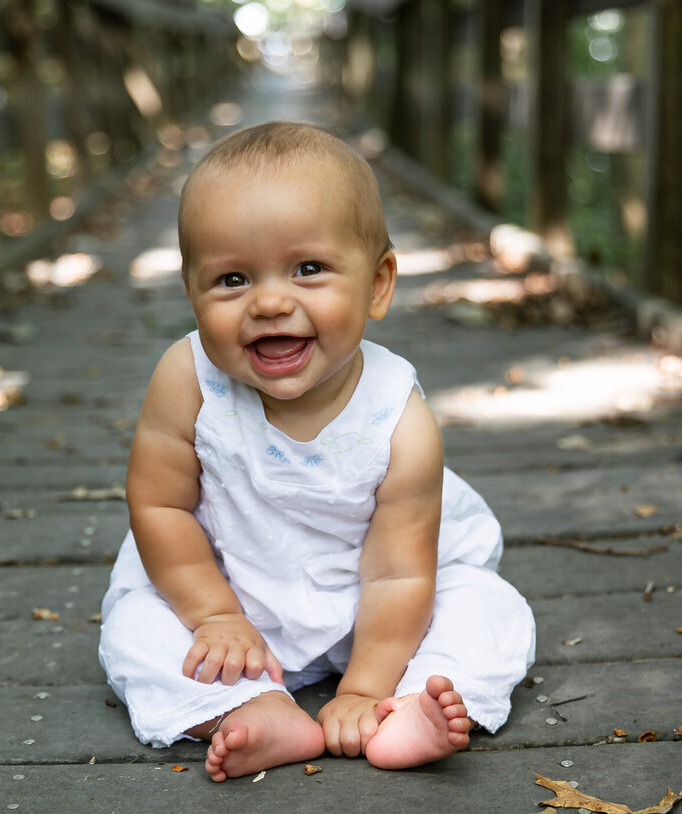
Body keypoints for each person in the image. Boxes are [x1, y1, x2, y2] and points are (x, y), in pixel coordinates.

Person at [98, 121, 535, 782]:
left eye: (309, 269)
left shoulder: (400, 421)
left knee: (488, 610)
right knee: (133, 626)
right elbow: (158, 504)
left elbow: (398, 575)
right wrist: (214, 614)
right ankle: (254, 707)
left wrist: (361, 686)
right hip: (226, 593)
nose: (270, 301)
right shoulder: (186, 380)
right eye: (231, 279)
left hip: (385, 610)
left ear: (378, 284)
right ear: (191, 292)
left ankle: (406, 707)